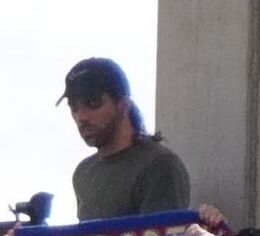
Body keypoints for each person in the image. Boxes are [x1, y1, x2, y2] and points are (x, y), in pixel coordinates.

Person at [61, 54, 192, 219]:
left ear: (123, 105)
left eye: (93, 103)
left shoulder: (159, 165)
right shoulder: (83, 173)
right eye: (74, 107)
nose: (81, 117)